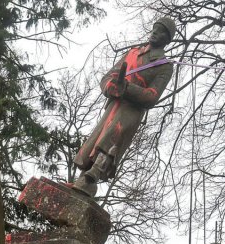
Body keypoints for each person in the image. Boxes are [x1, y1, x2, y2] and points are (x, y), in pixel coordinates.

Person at [72, 17, 176, 197]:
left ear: (167, 39)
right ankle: (82, 179)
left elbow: (152, 96)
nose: (154, 33)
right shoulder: (133, 53)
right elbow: (108, 77)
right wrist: (112, 86)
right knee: (98, 137)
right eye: (154, 28)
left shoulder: (164, 66)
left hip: (131, 110)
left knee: (113, 137)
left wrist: (127, 88)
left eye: (160, 31)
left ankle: (94, 174)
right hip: (114, 104)